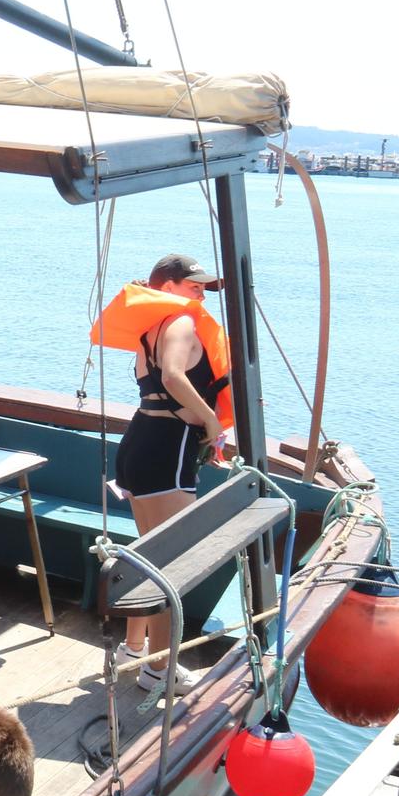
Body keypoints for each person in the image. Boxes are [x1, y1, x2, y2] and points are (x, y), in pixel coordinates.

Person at [108, 254, 233, 692]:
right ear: (168, 287)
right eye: (193, 286)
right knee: (170, 566)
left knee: (147, 555)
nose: (200, 294)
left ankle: (135, 649)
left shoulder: (149, 330)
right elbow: (176, 378)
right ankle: (159, 671)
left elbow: (159, 384)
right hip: (168, 449)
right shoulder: (179, 324)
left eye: (202, 287)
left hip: (141, 442)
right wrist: (212, 421)